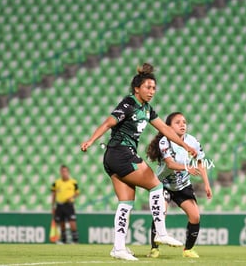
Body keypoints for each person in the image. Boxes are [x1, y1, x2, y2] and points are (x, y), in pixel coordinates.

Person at [80, 63, 198, 261]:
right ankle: (160, 232)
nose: (151, 91)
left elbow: (167, 130)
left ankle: (118, 247)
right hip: (121, 153)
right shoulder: (129, 103)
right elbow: (109, 122)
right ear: (137, 88)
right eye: (147, 87)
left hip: (113, 157)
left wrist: (185, 146)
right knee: (156, 186)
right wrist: (92, 139)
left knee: (126, 203)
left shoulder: (148, 109)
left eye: (153, 88)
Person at [146, 112, 212, 258]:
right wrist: (187, 168)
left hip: (182, 186)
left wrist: (207, 184)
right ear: (168, 127)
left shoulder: (192, 141)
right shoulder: (164, 141)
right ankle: (154, 248)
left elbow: (201, 161)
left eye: (184, 122)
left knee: (195, 216)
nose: (182, 125)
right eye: (178, 122)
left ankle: (188, 250)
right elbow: (170, 164)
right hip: (162, 184)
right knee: (160, 213)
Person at [51, 164, 79, 244]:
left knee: (72, 223)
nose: (64, 173)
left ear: (68, 172)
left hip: (69, 205)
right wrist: (52, 206)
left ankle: (75, 241)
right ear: (60, 172)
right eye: (62, 171)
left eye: (65, 171)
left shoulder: (73, 182)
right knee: (61, 224)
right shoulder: (56, 183)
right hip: (60, 205)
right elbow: (53, 194)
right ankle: (64, 241)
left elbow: (77, 193)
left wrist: (72, 197)